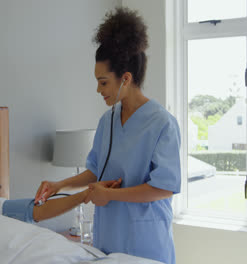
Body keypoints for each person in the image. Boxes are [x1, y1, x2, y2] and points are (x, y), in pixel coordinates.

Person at [34, 7, 181, 264]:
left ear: (125, 78)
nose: (98, 89)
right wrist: (60, 185)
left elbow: (164, 187)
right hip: (107, 240)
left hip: (146, 242)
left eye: (103, 82)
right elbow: (96, 171)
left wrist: (110, 195)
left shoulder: (162, 123)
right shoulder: (107, 121)